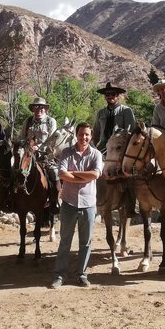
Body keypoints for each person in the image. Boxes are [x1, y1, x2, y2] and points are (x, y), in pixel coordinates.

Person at [49, 122, 103, 288]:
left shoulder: (96, 154)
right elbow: (62, 174)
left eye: (87, 134)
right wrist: (82, 177)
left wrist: (73, 174)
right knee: (65, 240)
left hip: (88, 204)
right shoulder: (66, 152)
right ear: (76, 135)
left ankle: (82, 274)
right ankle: (60, 275)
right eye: (81, 134)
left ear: (91, 136)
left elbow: (95, 174)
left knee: (85, 241)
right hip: (69, 202)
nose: (83, 137)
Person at [18, 96, 60, 214]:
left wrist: (39, 148)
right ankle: (11, 199)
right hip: (27, 155)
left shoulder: (51, 121)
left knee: (55, 173)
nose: (39, 109)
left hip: (45, 156)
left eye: (42, 107)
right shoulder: (28, 121)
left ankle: (54, 201)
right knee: (14, 169)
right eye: (36, 107)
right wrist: (25, 147)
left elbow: (52, 140)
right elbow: (21, 137)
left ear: (45, 109)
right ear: (33, 109)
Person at [92, 81, 136, 151]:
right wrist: (94, 148)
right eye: (107, 94)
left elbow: (131, 132)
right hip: (103, 146)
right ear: (105, 97)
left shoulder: (126, 111)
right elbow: (96, 133)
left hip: (119, 147)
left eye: (113, 94)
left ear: (117, 95)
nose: (110, 96)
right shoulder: (101, 113)